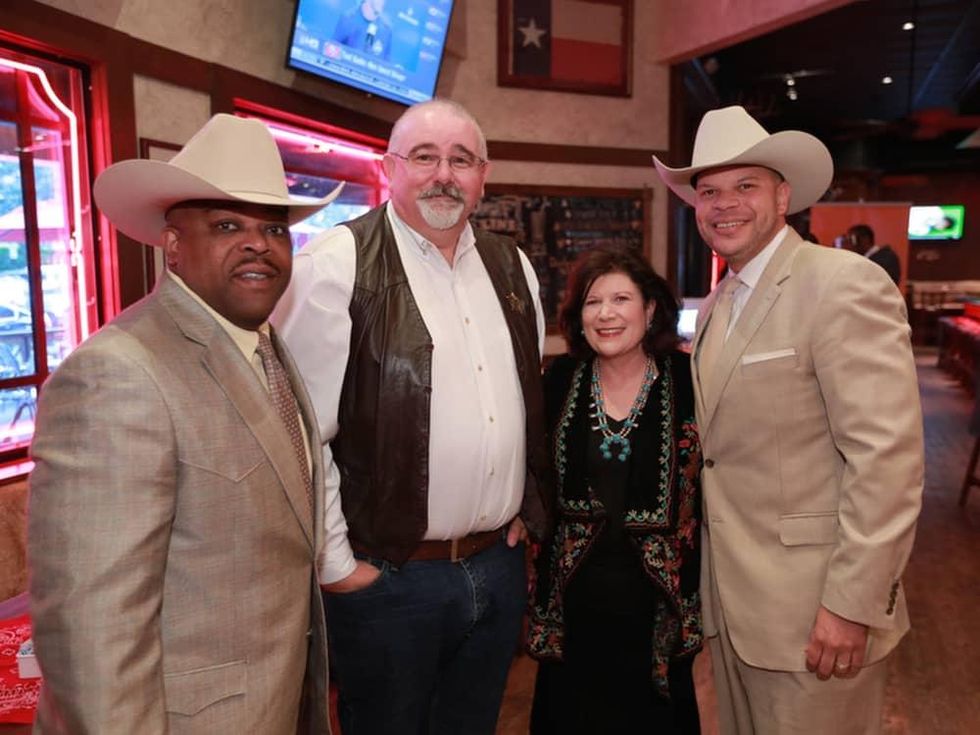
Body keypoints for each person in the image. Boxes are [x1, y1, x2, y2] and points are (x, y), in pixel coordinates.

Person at [28, 114, 342, 734]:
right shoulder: (118, 374)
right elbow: (92, 632)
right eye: (227, 226)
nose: (258, 244)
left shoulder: (264, 344)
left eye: (273, 229)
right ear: (173, 246)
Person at [273, 98, 552, 735]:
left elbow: (524, 402)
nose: (443, 174)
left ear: (484, 175)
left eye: (461, 159)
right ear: (390, 168)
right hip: (390, 580)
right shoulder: (335, 265)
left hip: (496, 566)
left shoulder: (514, 268)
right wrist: (338, 566)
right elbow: (297, 432)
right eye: (423, 157)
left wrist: (524, 508)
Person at [653, 105, 924, 735]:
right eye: (709, 191)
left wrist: (852, 605)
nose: (725, 204)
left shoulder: (842, 284)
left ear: (783, 195)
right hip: (735, 608)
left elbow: (887, 459)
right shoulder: (721, 300)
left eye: (745, 186)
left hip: (816, 613)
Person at [527, 245, 702, 735]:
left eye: (621, 299)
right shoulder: (557, 380)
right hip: (574, 607)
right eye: (591, 302)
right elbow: (526, 464)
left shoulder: (691, 382)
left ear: (649, 310)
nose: (606, 314)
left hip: (659, 611)